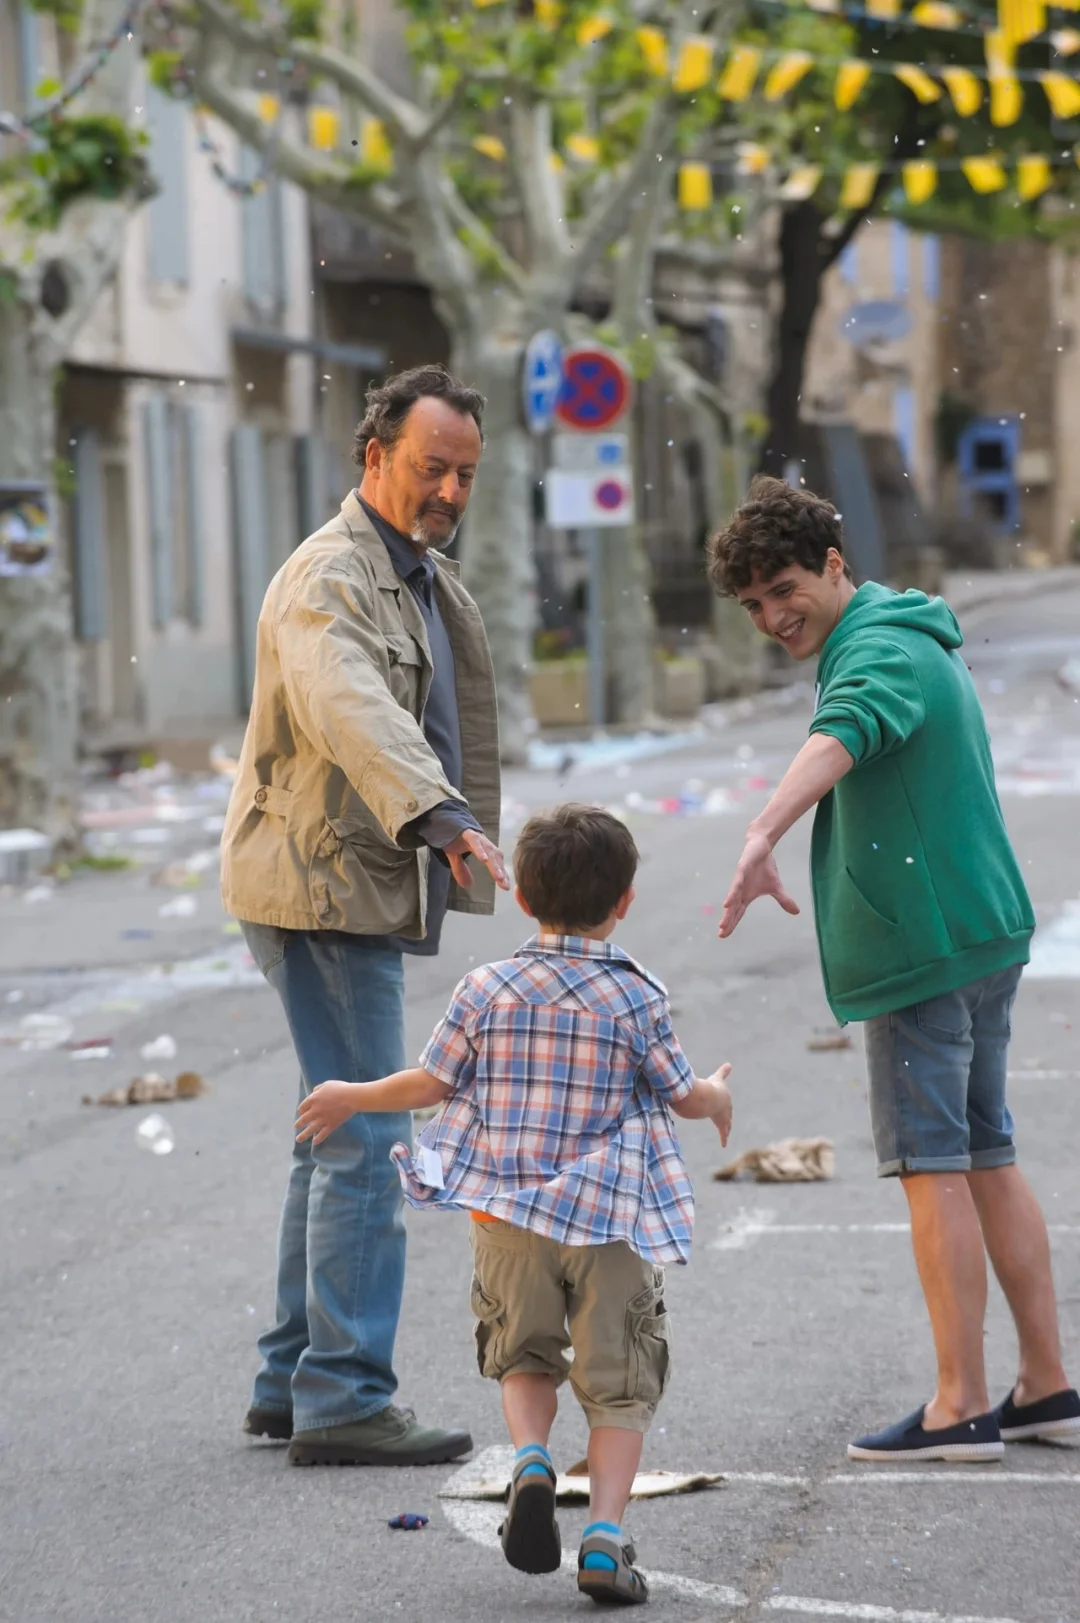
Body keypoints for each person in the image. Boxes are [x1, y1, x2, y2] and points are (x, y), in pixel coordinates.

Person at [708, 476, 1079, 1463]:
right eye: (752, 605)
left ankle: (961, 1404)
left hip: (925, 948)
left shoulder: (874, 647)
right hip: (977, 931)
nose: (772, 618)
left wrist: (761, 830)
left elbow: (849, 726)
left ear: (835, 564)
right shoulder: (909, 631)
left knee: (932, 1165)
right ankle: (1046, 1386)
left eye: (784, 589)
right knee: (988, 1152)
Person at [295, 805, 734, 1605]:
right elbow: (682, 1094)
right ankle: (604, 1537)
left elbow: (431, 1082)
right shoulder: (635, 996)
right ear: (625, 901)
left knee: (524, 1354)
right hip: (607, 1224)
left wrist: (352, 1093)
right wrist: (719, 1095)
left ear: (524, 899)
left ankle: (531, 1456)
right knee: (621, 1383)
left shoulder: (485, 988)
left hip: (506, 1218)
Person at [220, 364, 509, 1467]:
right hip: (322, 885)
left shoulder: (411, 569)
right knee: (373, 1134)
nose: (450, 492)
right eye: (433, 468)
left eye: (466, 474)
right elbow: (350, 705)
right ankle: (343, 1395)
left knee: (336, 1126)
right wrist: (439, 814)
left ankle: (292, 1378)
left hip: (340, 874)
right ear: (375, 454)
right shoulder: (331, 576)